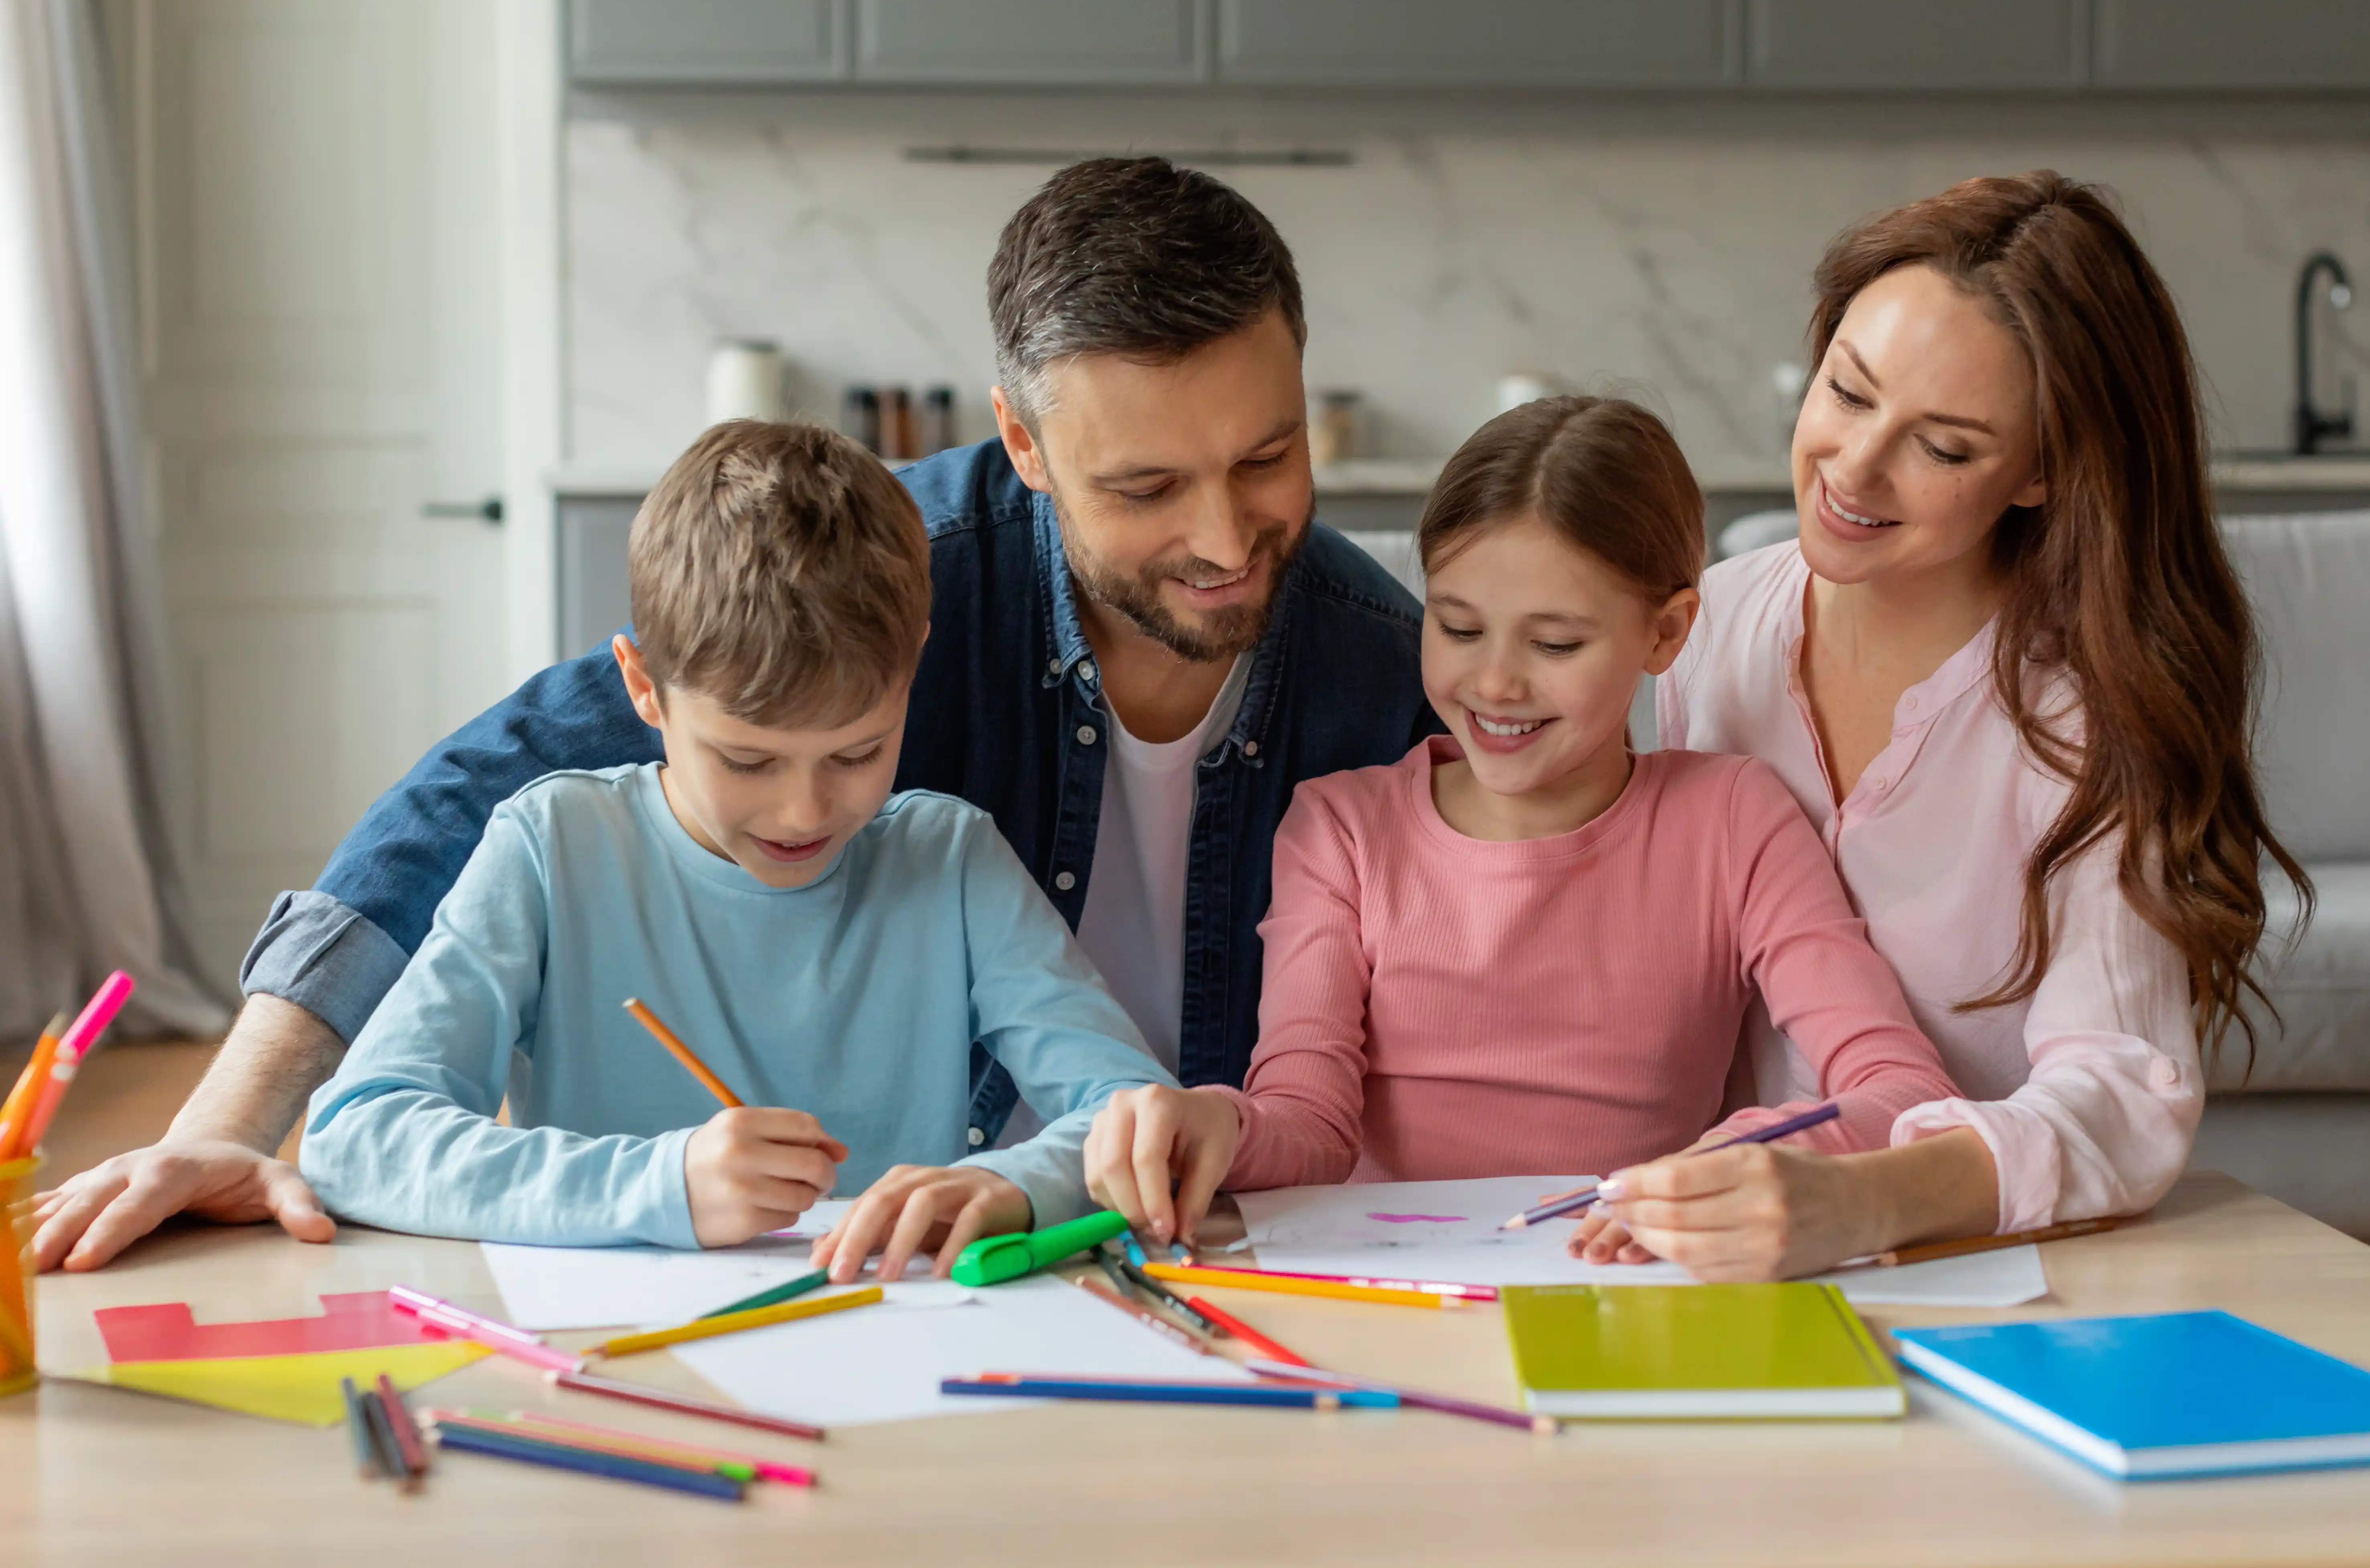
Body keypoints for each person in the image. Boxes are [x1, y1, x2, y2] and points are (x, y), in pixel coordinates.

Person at [35, 156, 1435, 1271]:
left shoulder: (1382, 666)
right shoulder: (896, 573)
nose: (1225, 537)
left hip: (1138, 1237)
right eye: (1143, 490)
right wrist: (225, 1128)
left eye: (1268, 456)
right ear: (1024, 444)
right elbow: (474, 800)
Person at [1569, 173, 2311, 1281]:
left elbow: (2120, 1092)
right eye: (1848, 392)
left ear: (2044, 472)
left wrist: (1861, 1203)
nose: (1855, 469)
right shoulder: (1705, 627)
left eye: (1946, 447)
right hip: (1683, 1252)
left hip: (1971, 1271)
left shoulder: (2086, 711)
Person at [301, 422, 1179, 1277]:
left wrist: (1007, 1185)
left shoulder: (950, 863)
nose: (805, 808)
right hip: (621, 1355)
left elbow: (1131, 1113)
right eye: (747, 758)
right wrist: (658, 1184)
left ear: (915, 663)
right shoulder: (552, 850)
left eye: (857, 752)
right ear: (643, 686)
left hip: (891, 1342)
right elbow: (356, 1139)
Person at [1082, 398, 1965, 1245]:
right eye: (1459, 629)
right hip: (1396, 1286)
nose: (1495, 685)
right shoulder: (1342, 828)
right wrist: (1212, 1122)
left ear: (1665, 633)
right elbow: (1310, 1125)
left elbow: (1897, 1087)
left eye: (1553, 646)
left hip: (1623, 1281)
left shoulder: (1733, 820)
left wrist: (1742, 1159)